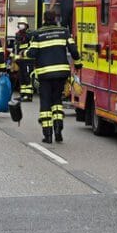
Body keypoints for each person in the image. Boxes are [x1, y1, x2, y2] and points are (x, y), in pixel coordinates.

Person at [24, 10, 82, 144]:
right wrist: (78, 64)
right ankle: (58, 129)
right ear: (56, 18)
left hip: (45, 74)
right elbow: (73, 50)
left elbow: (32, 53)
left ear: (44, 19)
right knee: (57, 101)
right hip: (61, 73)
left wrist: (24, 52)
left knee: (45, 102)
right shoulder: (64, 32)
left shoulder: (38, 34)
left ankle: (48, 135)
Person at [14, 17, 34, 101]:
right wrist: (13, 58)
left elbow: (32, 46)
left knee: (27, 77)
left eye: (22, 24)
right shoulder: (17, 34)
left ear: (26, 25)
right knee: (21, 77)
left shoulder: (30, 34)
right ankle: (23, 94)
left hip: (28, 59)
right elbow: (16, 47)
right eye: (19, 24)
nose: (21, 25)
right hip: (20, 60)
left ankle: (28, 95)